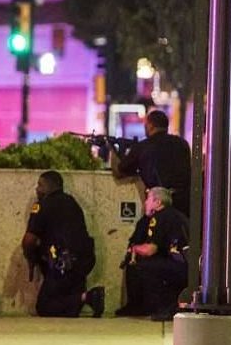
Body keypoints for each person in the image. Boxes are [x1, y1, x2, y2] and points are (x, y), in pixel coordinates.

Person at [22, 170, 104, 318]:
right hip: (83, 263)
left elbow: (29, 240)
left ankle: (87, 297)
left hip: (62, 265)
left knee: (44, 307)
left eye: (40, 185)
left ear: (49, 187)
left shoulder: (42, 206)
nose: (37, 189)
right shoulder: (72, 203)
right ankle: (85, 297)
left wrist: (30, 258)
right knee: (69, 308)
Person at [116, 187, 189, 321]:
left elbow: (150, 249)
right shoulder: (176, 214)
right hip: (187, 265)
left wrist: (134, 249)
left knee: (142, 266)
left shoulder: (158, 217)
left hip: (178, 266)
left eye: (148, 199)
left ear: (158, 202)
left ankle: (159, 308)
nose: (146, 203)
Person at [112, 110, 192, 217]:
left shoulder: (142, 147)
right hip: (183, 205)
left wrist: (112, 152)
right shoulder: (182, 144)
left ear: (150, 126)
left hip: (158, 205)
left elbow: (120, 171)